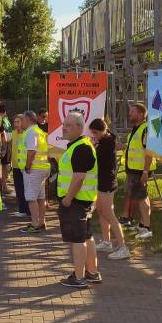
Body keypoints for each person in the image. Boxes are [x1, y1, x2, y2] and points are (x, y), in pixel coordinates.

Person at [56, 112, 101, 288]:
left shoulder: (81, 148)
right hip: (83, 200)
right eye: (64, 124)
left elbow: (79, 177)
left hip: (76, 201)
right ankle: (91, 272)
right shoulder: (79, 146)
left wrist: (67, 199)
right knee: (86, 236)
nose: (64, 128)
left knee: (77, 240)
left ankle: (79, 278)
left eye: (68, 125)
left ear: (79, 127)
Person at [90, 118, 130, 261]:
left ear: (103, 130)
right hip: (101, 181)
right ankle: (107, 242)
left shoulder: (107, 142)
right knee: (101, 211)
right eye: (92, 133)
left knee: (109, 213)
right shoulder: (105, 139)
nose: (94, 135)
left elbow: (95, 158)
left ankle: (123, 247)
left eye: (95, 133)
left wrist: (93, 146)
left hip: (107, 182)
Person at [120, 103, 154, 239]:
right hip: (134, 169)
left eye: (132, 112)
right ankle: (142, 224)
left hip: (140, 170)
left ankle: (146, 227)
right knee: (141, 197)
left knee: (141, 198)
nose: (130, 114)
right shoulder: (136, 129)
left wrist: (145, 172)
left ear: (141, 114)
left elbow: (148, 152)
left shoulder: (145, 129)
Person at [19, 111, 51, 234]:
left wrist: (27, 166)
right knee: (41, 197)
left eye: (22, 120)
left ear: (27, 120)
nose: (20, 122)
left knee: (31, 197)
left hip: (33, 169)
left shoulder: (31, 132)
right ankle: (41, 222)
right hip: (42, 167)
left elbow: (31, 151)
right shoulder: (39, 131)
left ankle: (35, 224)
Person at [9, 115, 29, 218]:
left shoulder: (27, 134)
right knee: (19, 188)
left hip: (25, 166)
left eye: (18, 122)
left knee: (26, 189)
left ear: (23, 122)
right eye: (14, 122)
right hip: (16, 166)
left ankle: (28, 211)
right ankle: (22, 210)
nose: (16, 124)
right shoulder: (13, 133)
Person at [0, 102, 12, 193]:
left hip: (6, 145)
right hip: (3, 145)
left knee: (5, 166)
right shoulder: (4, 120)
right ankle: (2, 185)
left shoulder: (4, 120)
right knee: (2, 166)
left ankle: (3, 185)